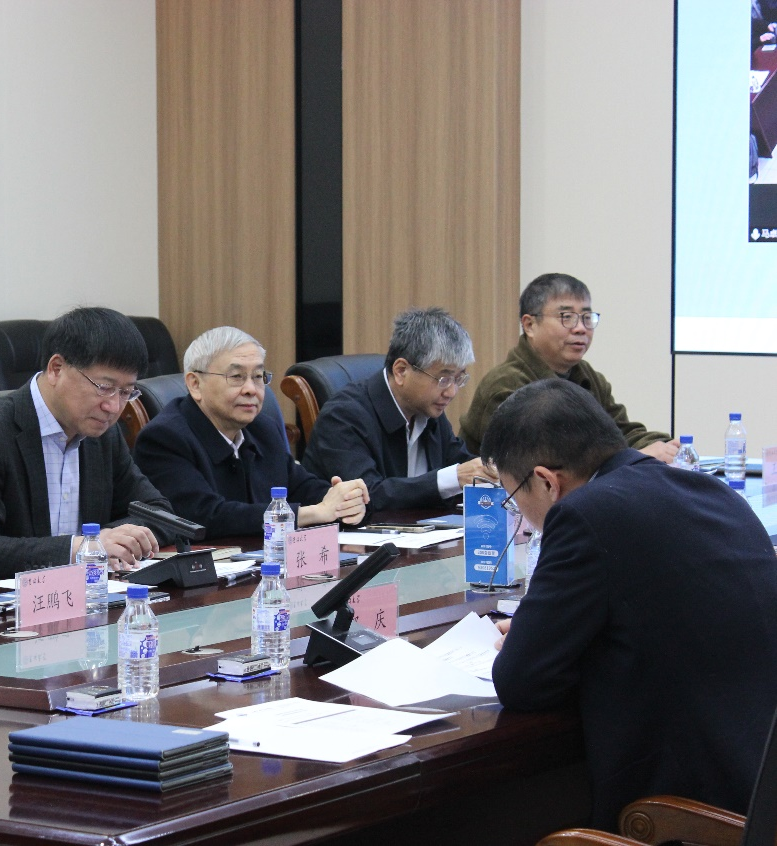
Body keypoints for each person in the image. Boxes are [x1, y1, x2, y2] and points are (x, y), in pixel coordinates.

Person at [484, 379, 777, 830]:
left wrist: (536, 639)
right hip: (755, 790)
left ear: (545, 481)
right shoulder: (711, 492)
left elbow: (521, 682)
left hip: (690, 816)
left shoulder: (585, 515)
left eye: (513, 497)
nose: (520, 514)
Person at [0, 307, 176, 578]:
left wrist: (115, 538)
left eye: (126, 392)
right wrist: (85, 546)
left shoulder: (103, 434)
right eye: (104, 388)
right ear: (57, 369)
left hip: (86, 594)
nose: (113, 406)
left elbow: (158, 513)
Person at [133, 326, 368, 539]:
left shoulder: (262, 428)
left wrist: (343, 500)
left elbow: (301, 487)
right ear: (195, 384)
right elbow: (204, 516)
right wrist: (315, 513)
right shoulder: (164, 438)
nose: (251, 389)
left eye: (258, 377)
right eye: (236, 377)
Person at [459, 272, 677, 461]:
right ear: (530, 325)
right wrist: (633, 457)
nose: (581, 328)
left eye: (586, 317)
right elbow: (539, 461)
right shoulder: (506, 385)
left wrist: (667, 447)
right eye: (567, 317)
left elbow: (621, 433)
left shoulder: (588, 377)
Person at [301, 307, 488, 512]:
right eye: (444, 379)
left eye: (458, 378)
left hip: (420, 529)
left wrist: (488, 472)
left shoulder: (429, 411)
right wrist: (455, 477)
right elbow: (366, 496)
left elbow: (460, 463)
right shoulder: (342, 416)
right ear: (401, 371)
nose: (451, 392)